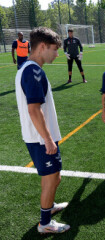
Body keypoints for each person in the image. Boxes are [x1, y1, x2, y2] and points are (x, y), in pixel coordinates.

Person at [15, 27, 70, 234]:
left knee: (55, 177)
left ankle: (50, 206)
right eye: (55, 49)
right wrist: (48, 139)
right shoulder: (33, 71)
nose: (57, 54)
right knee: (51, 178)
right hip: (40, 139)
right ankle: (45, 223)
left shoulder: (28, 68)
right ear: (42, 47)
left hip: (39, 136)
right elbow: (34, 109)